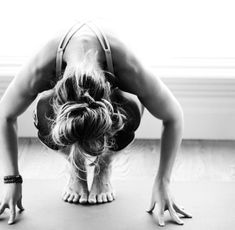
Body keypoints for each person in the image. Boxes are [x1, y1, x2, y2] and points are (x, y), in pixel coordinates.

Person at [0, 21, 192, 226]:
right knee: (42, 106)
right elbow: (4, 115)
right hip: (60, 98)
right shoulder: (41, 69)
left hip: (118, 99)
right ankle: (77, 170)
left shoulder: (129, 68)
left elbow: (173, 116)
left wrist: (163, 182)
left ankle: (104, 165)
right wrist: (12, 180)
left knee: (132, 106)